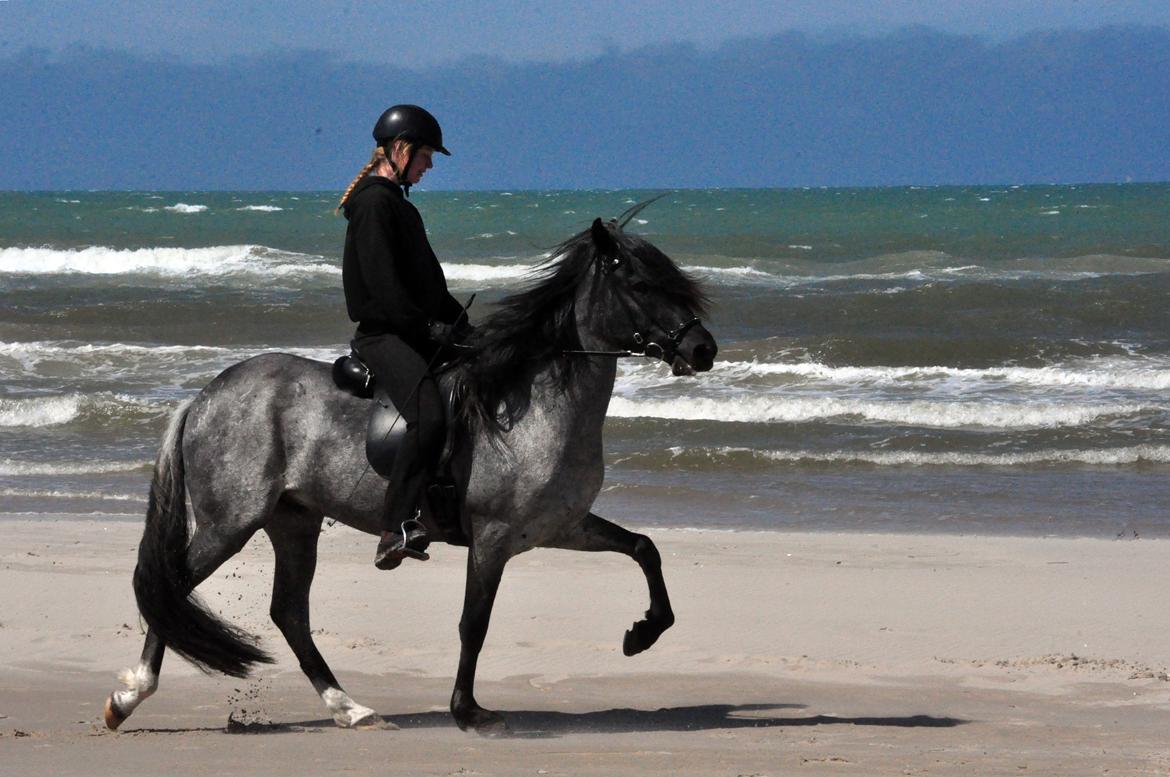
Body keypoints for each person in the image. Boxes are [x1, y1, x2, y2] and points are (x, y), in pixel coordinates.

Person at [337, 104, 468, 570]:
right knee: (428, 416)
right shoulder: (375, 204)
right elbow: (386, 292)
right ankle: (394, 529)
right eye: (426, 155)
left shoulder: (398, 206)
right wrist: (428, 328)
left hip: (413, 329)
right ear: (400, 149)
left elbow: (430, 288)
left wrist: (467, 330)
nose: (430, 166)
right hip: (384, 336)